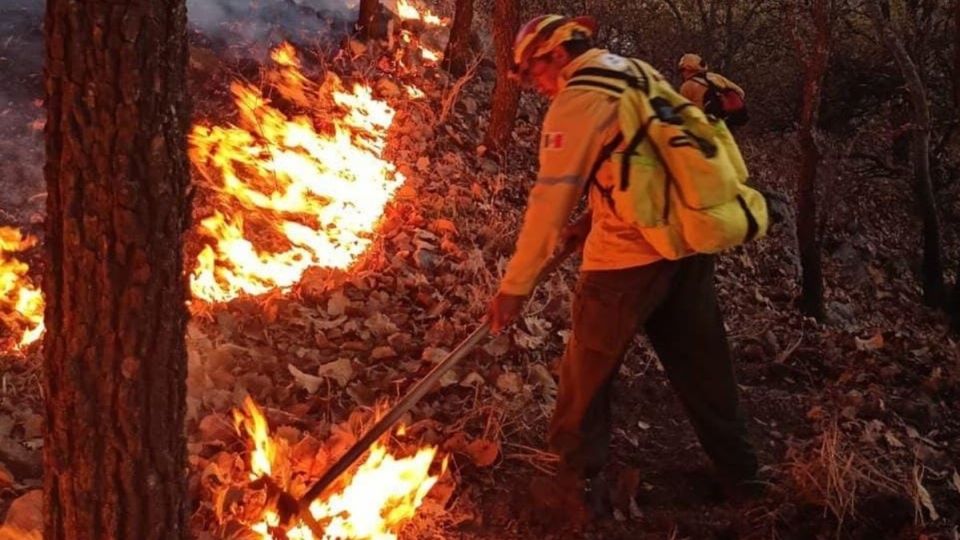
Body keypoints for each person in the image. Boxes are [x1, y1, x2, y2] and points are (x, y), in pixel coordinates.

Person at [487, 15, 759, 518]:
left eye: (533, 73)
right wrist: (591, 217)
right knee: (705, 370)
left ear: (556, 54)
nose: (536, 86)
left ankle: (566, 493)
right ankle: (745, 480)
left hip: (626, 262)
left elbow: (549, 200)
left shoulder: (576, 100)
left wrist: (515, 286)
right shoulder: (633, 71)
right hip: (687, 243)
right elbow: (643, 154)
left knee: (583, 381)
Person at [678, 53, 748, 125]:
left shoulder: (686, 86)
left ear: (689, 69)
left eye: (682, 70)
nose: (682, 73)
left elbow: (683, 111)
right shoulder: (715, 77)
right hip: (727, 122)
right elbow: (740, 92)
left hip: (705, 125)